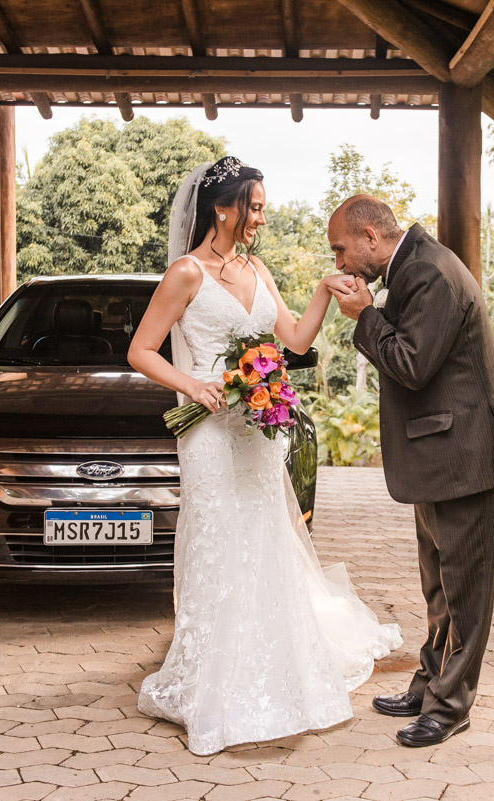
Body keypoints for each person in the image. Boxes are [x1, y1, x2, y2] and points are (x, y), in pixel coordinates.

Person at [127, 158, 401, 756]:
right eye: (253, 207)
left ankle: (271, 667)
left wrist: (323, 291)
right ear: (222, 208)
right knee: (217, 542)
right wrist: (193, 385)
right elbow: (141, 350)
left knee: (262, 540)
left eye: (262, 208)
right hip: (208, 433)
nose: (260, 218)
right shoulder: (186, 273)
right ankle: (210, 679)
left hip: (255, 431)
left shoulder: (257, 269)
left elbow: (295, 340)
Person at [326, 195, 494, 748]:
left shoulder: (428, 271)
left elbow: (411, 364)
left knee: (464, 592)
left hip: (465, 458)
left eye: (341, 249)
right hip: (441, 455)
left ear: (370, 236)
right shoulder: (412, 266)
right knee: (439, 584)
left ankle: (450, 706)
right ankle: (430, 684)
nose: (339, 263)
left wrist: (364, 315)